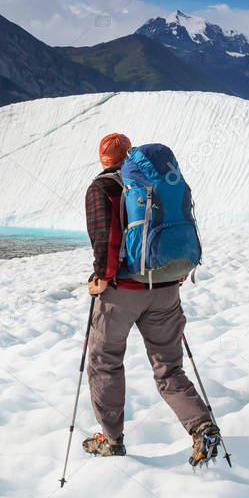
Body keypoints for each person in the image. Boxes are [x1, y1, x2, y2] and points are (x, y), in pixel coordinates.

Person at [81, 133, 221, 465]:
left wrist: (101, 276)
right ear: (129, 154)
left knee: (105, 362)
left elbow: (105, 240)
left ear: (102, 159)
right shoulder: (155, 183)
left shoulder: (103, 188)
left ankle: (111, 439)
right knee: (169, 368)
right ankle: (202, 426)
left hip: (123, 292)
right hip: (166, 286)